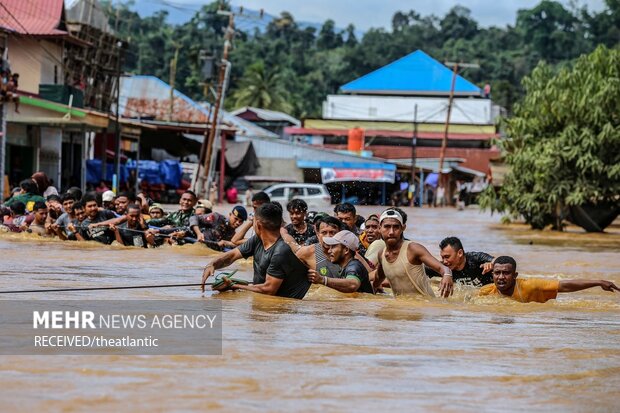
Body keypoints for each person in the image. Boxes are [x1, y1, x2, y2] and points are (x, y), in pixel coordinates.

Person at [201, 203, 311, 300]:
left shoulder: (280, 251)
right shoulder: (258, 240)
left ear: (257, 225)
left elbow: (269, 290)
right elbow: (232, 255)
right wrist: (212, 264)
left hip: (279, 308)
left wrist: (233, 286)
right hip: (262, 297)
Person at [372, 209, 454, 298]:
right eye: (387, 227)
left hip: (425, 306)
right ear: (379, 228)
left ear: (403, 228)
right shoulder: (381, 254)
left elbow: (442, 268)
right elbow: (378, 278)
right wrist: (372, 289)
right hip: (400, 307)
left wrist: (447, 275)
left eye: (396, 227)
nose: (391, 232)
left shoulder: (413, 249)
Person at [480, 256, 619, 303]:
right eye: (497, 273)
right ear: (492, 275)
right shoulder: (486, 292)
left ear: (515, 275)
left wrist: (598, 282)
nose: (501, 277)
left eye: (506, 273)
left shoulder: (532, 285)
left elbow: (565, 286)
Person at [308, 230, 374, 294]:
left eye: (333, 247)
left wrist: (322, 280)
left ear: (346, 250)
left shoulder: (354, 266)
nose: (329, 251)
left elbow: (353, 284)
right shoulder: (346, 267)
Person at [425, 237, 495, 287]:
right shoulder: (444, 268)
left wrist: (492, 264)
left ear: (460, 253)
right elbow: (419, 267)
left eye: (447, 257)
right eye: (442, 258)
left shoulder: (476, 258)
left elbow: (500, 260)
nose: (445, 261)